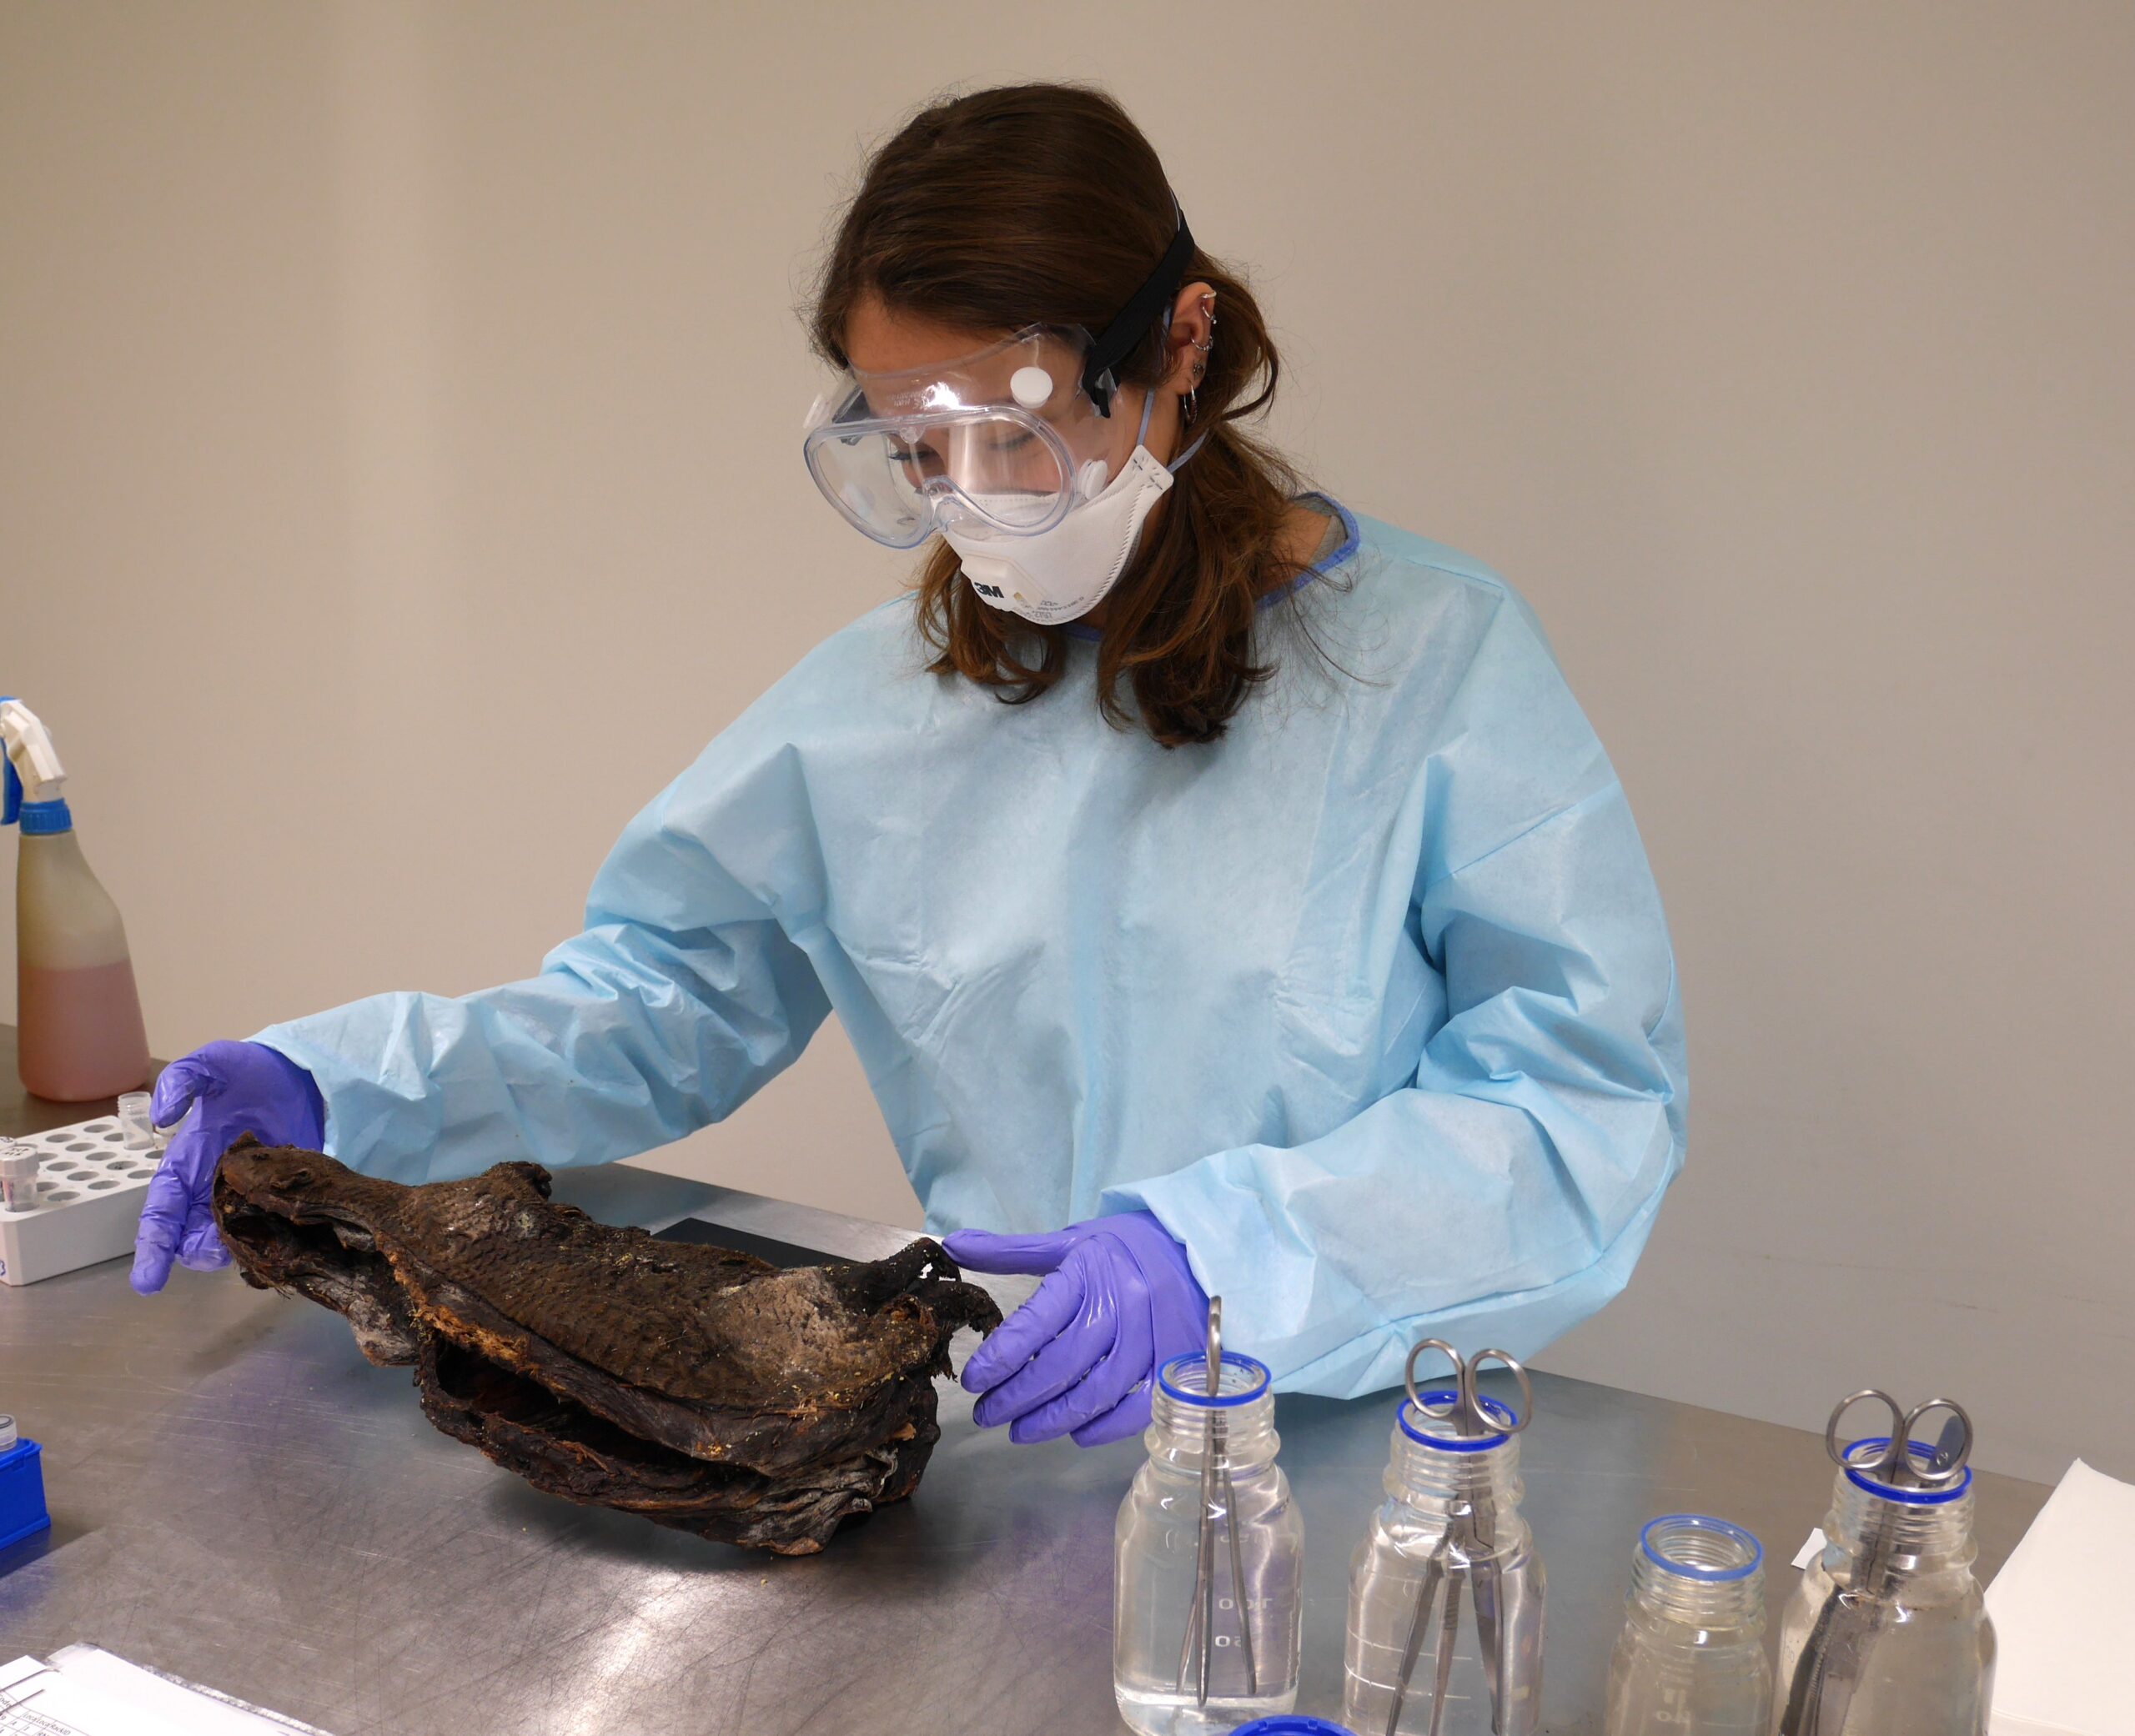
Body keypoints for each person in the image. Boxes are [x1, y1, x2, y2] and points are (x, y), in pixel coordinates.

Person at [132, 83, 1686, 1450]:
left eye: (1012, 432)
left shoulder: (1439, 670)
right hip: (1033, 1441)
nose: (975, 500)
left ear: (1181, 342)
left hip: (1364, 1446)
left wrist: (1222, 1255)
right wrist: (343, 1082)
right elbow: (663, 999)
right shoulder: (887, 705)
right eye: (919, 449)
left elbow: (1577, 1106)